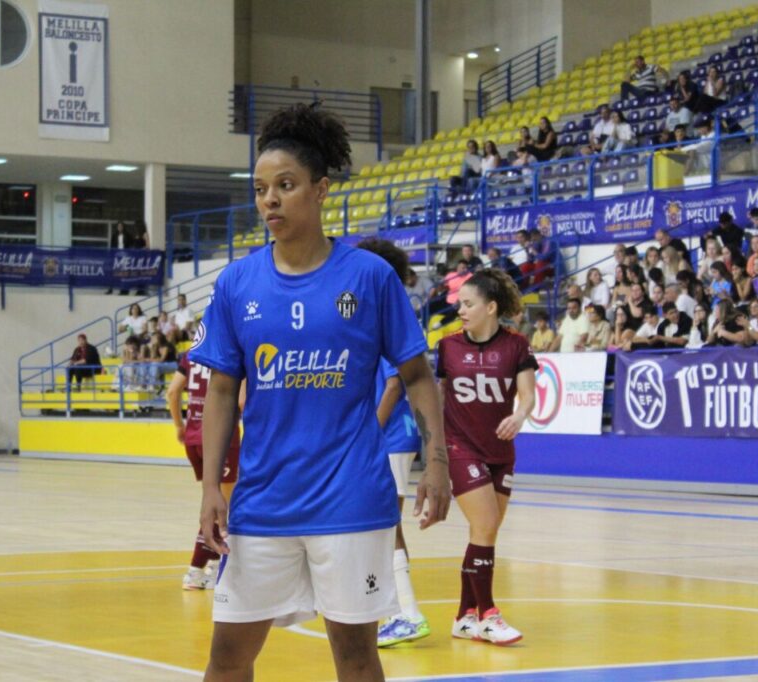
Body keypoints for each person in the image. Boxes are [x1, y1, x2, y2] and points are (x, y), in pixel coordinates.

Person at [192, 103, 450, 682]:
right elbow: (222, 391)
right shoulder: (238, 282)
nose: (270, 201)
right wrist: (212, 485)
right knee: (227, 659)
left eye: (286, 185)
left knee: (357, 660)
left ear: (321, 189)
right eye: (260, 190)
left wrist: (437, 463)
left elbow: (416, 377)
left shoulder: (368, 277)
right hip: (262, 501)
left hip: (351, 498)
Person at [436, 270, 537, 646]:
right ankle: (489, 615)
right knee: (486, 524)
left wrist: (520, 414)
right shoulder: (447, 347)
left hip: (500, 451)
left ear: (491, 307)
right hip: (461, 447)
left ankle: (464, 616)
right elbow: (437, 396)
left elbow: (527, 395)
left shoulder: (516, 346)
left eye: (467, 304)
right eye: (459, 304)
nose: (460, 310)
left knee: (485, 532)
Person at [355, 238, 430, 647]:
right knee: (384, 527)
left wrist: (366, 432)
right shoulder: (375, 311)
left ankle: (407, 612)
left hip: (390, 437)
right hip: (387, 438)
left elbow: (393, 385)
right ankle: (398, 611)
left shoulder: (385, 315)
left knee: (387, 527)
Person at [166, 353, 242, 591]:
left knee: (214, 500)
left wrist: (179, 425)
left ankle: (214, 563)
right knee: (223, 505)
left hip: (194, 437)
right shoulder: (231, 354)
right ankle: (197, 569)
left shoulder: (190, 355)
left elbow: (172, 391)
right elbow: (241, 402)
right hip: (221, 437)